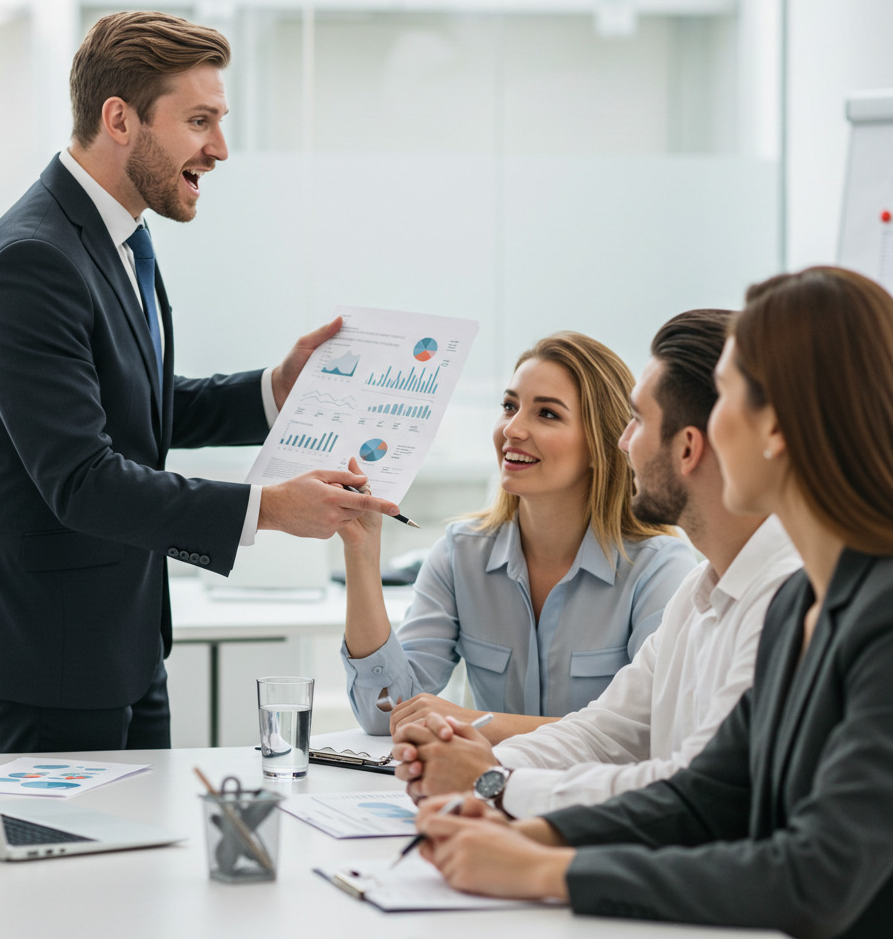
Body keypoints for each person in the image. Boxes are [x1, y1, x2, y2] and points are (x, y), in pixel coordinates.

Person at [0, 11, 399, 755]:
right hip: (51, 652)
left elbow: (139, 408)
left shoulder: (118, 235)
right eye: (199, 121)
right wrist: (271, 509)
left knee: (141, 858)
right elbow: (82, 479)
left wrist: (272, 391)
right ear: (119, 119)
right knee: (69, 869)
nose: (219, 149)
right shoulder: (30, 262)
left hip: (122, 639)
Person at [417, 266, 893, 939]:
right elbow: (707, 797)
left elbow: (816, 876)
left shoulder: (874, 615)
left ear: (776, 429)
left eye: (724, 396)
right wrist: (538, 830)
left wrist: (544, 868)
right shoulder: (805, 605)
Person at [391, 309, 802, 808]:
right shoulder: (698, 595)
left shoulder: (783, 601)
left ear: (688, 448)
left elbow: (700, 792)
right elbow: (604, 731)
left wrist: (496, 783)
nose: (622, 442)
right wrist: (483, 761)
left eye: (636, 421)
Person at [340, 331, 697, 739]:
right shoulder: (460, 554)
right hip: (482, 796)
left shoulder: (659, 569)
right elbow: (383, 711)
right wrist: (361, 550)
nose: (512, 428)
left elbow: (653, 730)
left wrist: (471, 723)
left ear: (601, 444)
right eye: (510, 406)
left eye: (547, 414)